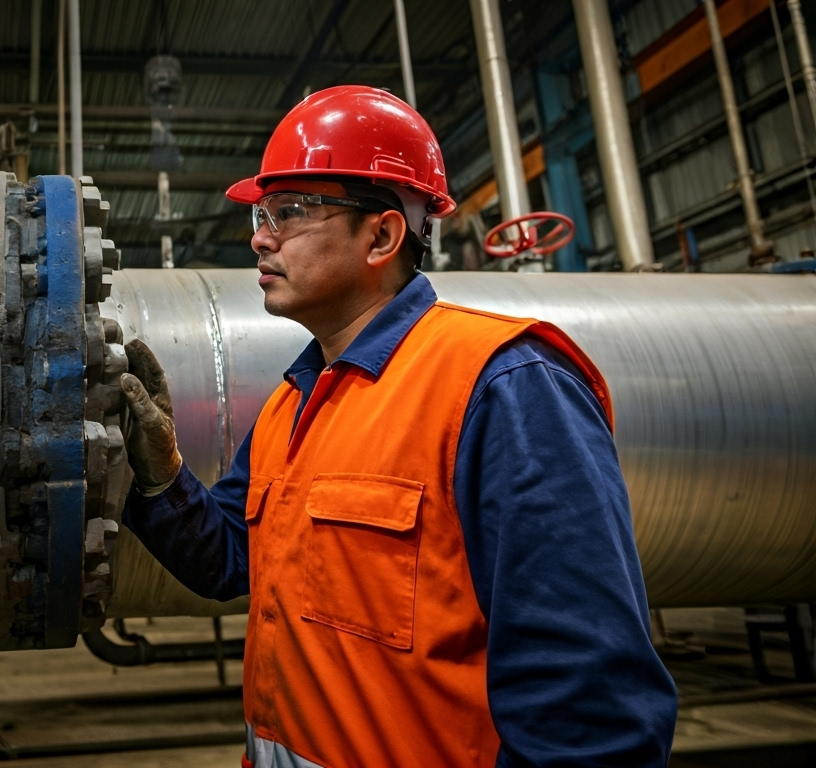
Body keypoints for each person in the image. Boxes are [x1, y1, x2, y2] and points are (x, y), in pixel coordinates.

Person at [117, 86, 678, 767]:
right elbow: (234, 559)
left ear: (381, 234)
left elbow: (591, 710)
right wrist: (162, 475)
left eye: (290, 211)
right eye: (262, 214)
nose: (260, 236)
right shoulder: (290, 407)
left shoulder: (502, 388)